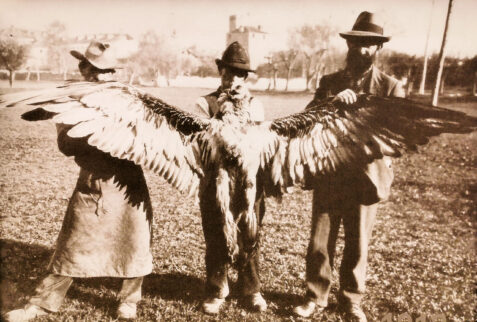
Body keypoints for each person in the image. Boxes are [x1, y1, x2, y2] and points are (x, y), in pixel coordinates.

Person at [4, 41, 153, 321]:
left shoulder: (133, 100)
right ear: (84, 70)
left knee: (136, 240)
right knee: (73, 242)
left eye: (108, 71)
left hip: (129, 182)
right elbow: (66, 145)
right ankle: (40, 302)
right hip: (93, 182)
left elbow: (149, 142)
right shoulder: (70, 100)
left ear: (115, 73)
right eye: (95, 70)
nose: (102, 77)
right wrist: (92, 128)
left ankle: (129, 300)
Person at [293, 12, 405, 321]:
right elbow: (306, 119)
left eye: (369, 45)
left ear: (378, 49)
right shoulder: (330, 82)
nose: (362, 50)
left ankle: (352, 300)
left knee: (358, 243)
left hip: (366, 178)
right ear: (349, 45)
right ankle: (315, 297)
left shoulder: (390, 87)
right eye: (357, 44)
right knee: (319, 240)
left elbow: (397, 136)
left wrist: (360, 113)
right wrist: (331, 104)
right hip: (329, 173)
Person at [193, 41, 267, 315]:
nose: (233, 79)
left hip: (248, 180)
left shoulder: (256, 105)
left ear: (245, 77)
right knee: (215, 233)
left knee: (250, 232)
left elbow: (258, 142)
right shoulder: (204, 103)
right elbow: (200, 143)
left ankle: (251, 290)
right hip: (215, 178)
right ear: (220, 71)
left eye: (239, 74)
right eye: (228, 72)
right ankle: (216, 289)